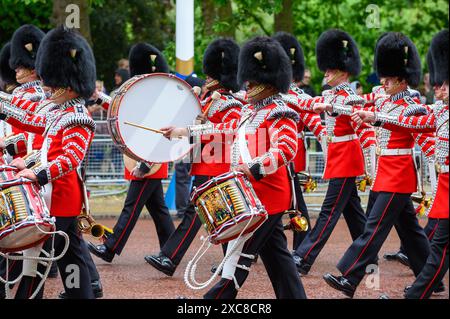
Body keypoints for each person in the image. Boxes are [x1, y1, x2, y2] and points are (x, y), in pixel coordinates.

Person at [162, 36, 307, 299]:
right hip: (256, 195)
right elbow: (222, 130)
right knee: (278, 259)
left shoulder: (280, 112)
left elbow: (286, 149)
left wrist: (254, 167)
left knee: (236, 259)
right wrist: (183, 131)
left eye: (253, 79)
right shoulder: (249, 111)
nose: (247, 83)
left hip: (269, 196)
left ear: (268, 81)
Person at [323, 32, 432, 298]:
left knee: (373, 229)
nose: (384, 82)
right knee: (412, 233)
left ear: (403, 79)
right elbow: (359, 103)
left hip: (400, 174)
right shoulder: (382, 97)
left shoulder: (413, 103)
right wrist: (335, 106)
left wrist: (374, 117)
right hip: (385, 173)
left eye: (390, 78)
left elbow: (409, 125)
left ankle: (350, 278)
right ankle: (433, 277)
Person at [0, 25, 98, 298]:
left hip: (61, 199)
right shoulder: (59, 111)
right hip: (53, 196)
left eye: (52, 82)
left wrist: (38, 174)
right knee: (69, 259)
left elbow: (69, 159)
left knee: (38, 259)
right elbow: (31, 122)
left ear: (68, 84)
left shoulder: (78, 117)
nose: (47, 87)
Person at [358, 30, 448, 299]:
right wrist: (376, 118)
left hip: (404, 173)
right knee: (440, 246)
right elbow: (414, 124)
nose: (438, 89)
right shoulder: (440, 111)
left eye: (444, 84)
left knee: (439, 245)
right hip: (443, 184)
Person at [144, 38, 243, 277]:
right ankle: (232, 263)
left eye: (210, 76)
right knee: (221, 216)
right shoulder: (209, 102)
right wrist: (177, 131)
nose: (206, 79)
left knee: (197, 212)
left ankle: (170, 257)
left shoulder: (230, 103)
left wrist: (184, 131)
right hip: (205, 163)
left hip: (216, 166)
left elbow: (225, 132)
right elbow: (198, 129)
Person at [291, 29, 376, 276]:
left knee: (329, 211)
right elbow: (311, 105)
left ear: (343, 71)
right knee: (353, 213)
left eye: (331, 68)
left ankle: (304, 257)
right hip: (339, 155)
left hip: (347, 157)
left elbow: (358, 123)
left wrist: (371, 161)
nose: (325, 72)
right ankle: (368, 256)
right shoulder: (330, 93)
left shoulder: (347, 95)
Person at [88, 42, 175, 263]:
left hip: (149, 162)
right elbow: (121, 109)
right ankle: (172, 250)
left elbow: (158, 139)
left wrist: (144, 165)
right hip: (144, 160)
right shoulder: (146, 97)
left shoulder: (159, 101)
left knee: (131, 206)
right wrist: (99, 97)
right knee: (159, 210)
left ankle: (110, 247)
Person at [272, 32, 326, 250]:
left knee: (295, 203)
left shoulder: (296, 95)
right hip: (267, 155)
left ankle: (302, 247)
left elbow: (313, 119)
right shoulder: (271, 93)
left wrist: (326, 143)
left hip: (288, 156)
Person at [174, 75, 205, 219]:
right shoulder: (202, 103)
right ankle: (196, 208)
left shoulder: (182, 103)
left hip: (184, 143)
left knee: (182, 178)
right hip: (197, 143)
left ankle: (183, 210)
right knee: (195, 178)